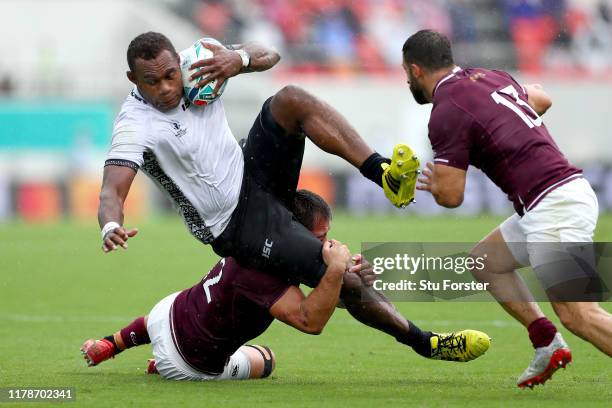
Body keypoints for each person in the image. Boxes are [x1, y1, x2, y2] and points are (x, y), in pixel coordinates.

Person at [98, 31, 419, 293]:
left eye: (170, 76)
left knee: (292, 98)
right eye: (152, 82)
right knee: (329, 275)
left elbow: (270, 54)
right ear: (133, 78)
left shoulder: (199, 62)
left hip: (248, 170)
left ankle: (382, 173)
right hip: (226, 223)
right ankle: (424, 341)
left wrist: (238, 59)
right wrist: (111, 224)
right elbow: (112, 190)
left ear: (177, 62)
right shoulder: (133, 124)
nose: (166, 88)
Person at [82, 190, 491, 380]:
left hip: (167, 313)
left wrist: (348, 274)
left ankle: (113, 343)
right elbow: (312, 322)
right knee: (266, 359)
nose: (323, 245)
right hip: (192, 364)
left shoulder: (261, 243)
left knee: (167, 313)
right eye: (319, 237)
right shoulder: (261, 271)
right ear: (295, 234)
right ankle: (156, 362)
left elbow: (334, 290)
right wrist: (334, 272)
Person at [401, 29, 612, 388]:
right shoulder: (489, 76)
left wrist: (433, 182)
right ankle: (545, 340)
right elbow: (542, 98)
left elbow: (451, 197)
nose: (407, 79)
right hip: (550, 200)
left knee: (580, 315)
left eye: (406, 73)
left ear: (416, 70)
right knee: (485, 261)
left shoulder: (446, 110)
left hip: (554, 203)